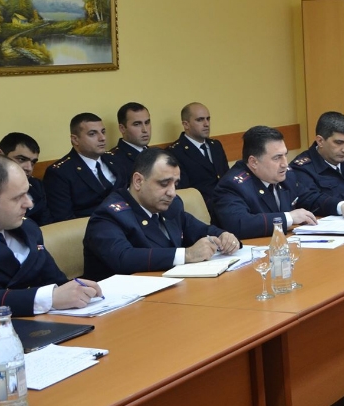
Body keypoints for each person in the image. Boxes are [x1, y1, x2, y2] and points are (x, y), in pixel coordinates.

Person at [83, 149, 241, 281]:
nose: (172, 192)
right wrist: (187, 254)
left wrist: (223, 236)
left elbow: (199, 229)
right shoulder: (109, 215)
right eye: (164, 183)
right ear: (138, 181)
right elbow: (123, 258)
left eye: (175, 184)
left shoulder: (171, 204)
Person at [0, 154, 102, 319]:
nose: (29, 204)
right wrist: (48, 298)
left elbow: (55, 280)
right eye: (17, 198)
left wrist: (77, 290)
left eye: (27, 193)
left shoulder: (28, 228)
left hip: (51, 322)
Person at [215, 125, 344, 239]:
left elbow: (310, 198)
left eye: (285, 155)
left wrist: (342, 206)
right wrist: (288, 218)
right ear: (254, 162)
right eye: (277, 158)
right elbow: (239, 224)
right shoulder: (233, 185)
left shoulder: (287, 175)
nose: (285, 163)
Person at [43, 112, 125, 221]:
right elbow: (65, 219)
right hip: (92, 227)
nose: (102, 138)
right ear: (75, 139)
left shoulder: (115, 159)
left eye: (103, 132)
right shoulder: (60, 172)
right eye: (92, 134)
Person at [167, 102, 229, 219]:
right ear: (186, 124)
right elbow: (185, 191)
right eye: (200, 120)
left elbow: (226, 176)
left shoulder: (215, 145)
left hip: (228, 202)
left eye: (208, 119)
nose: (206, 124)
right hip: (204, 209)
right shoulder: (175, 152)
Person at [0, 132, 49, 226]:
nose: (29, 168)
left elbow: (47, 222)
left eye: (33, 162)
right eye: (21, 159)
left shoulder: (36, 186)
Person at [107, 102, 152, 177]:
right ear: (122, 128)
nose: (145, 130)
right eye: (137, 124)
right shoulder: (113, 160)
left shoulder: (156, 153)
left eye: (147, 123)